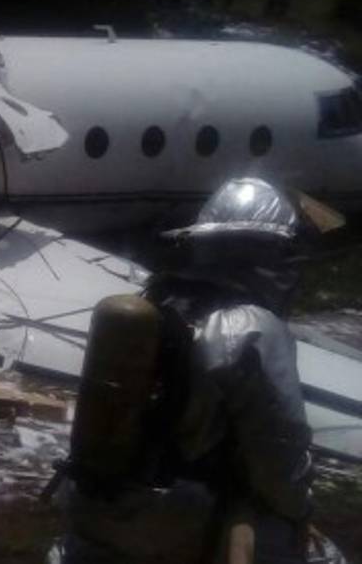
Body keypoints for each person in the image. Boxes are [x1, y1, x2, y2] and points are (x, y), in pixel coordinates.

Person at [47, 177, 347, 564]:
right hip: (175, 518)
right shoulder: (250, 326)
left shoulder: (155, 301)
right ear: (267, 253)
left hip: (97, 509)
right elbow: (279, 455)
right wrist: (300, 514)